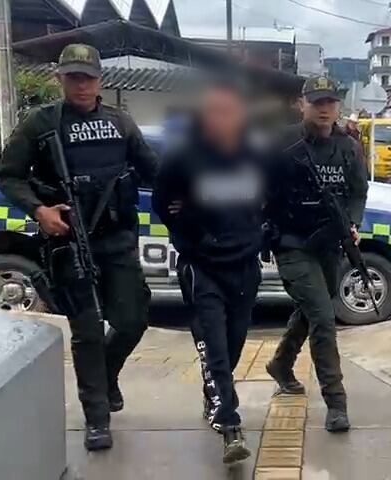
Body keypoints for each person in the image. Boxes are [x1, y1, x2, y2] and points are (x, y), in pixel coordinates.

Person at [0, 44, 157, 451]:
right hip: (69, 239)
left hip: (118, 238)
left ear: (100, 80)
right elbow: (9, 177)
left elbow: (153, 170)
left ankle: (106, 375)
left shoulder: (121, 122)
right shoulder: (41, 123)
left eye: (87, 77)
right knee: (86, 331)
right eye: (73, 77)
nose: (81, 85)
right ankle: (97, 417)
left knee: (133, 318)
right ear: (60, 79)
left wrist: (188, 194)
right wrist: (39, 211)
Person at [151, 79, 267, 465]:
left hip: (245, 266)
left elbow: (271, 198)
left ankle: (213, 393)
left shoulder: (254, 154)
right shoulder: (184, 157)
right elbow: (162, 203)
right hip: (202, 267)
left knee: (233, 345)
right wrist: (192, 235)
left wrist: (261, 232)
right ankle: (230, 425)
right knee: (215, 348)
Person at [264, 75, 368, 432]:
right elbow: (259, 189)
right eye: (316, 102)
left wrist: (352, 222)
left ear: (338, 106)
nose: (324, 109)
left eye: (330, 102)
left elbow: (358, 192)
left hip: (328, 243)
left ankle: (281, 363)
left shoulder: (349, 147)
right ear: (301, 104)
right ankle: (336, 401)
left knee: (313, 310)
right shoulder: (281, 142)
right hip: (292, 243)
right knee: (324, 316)